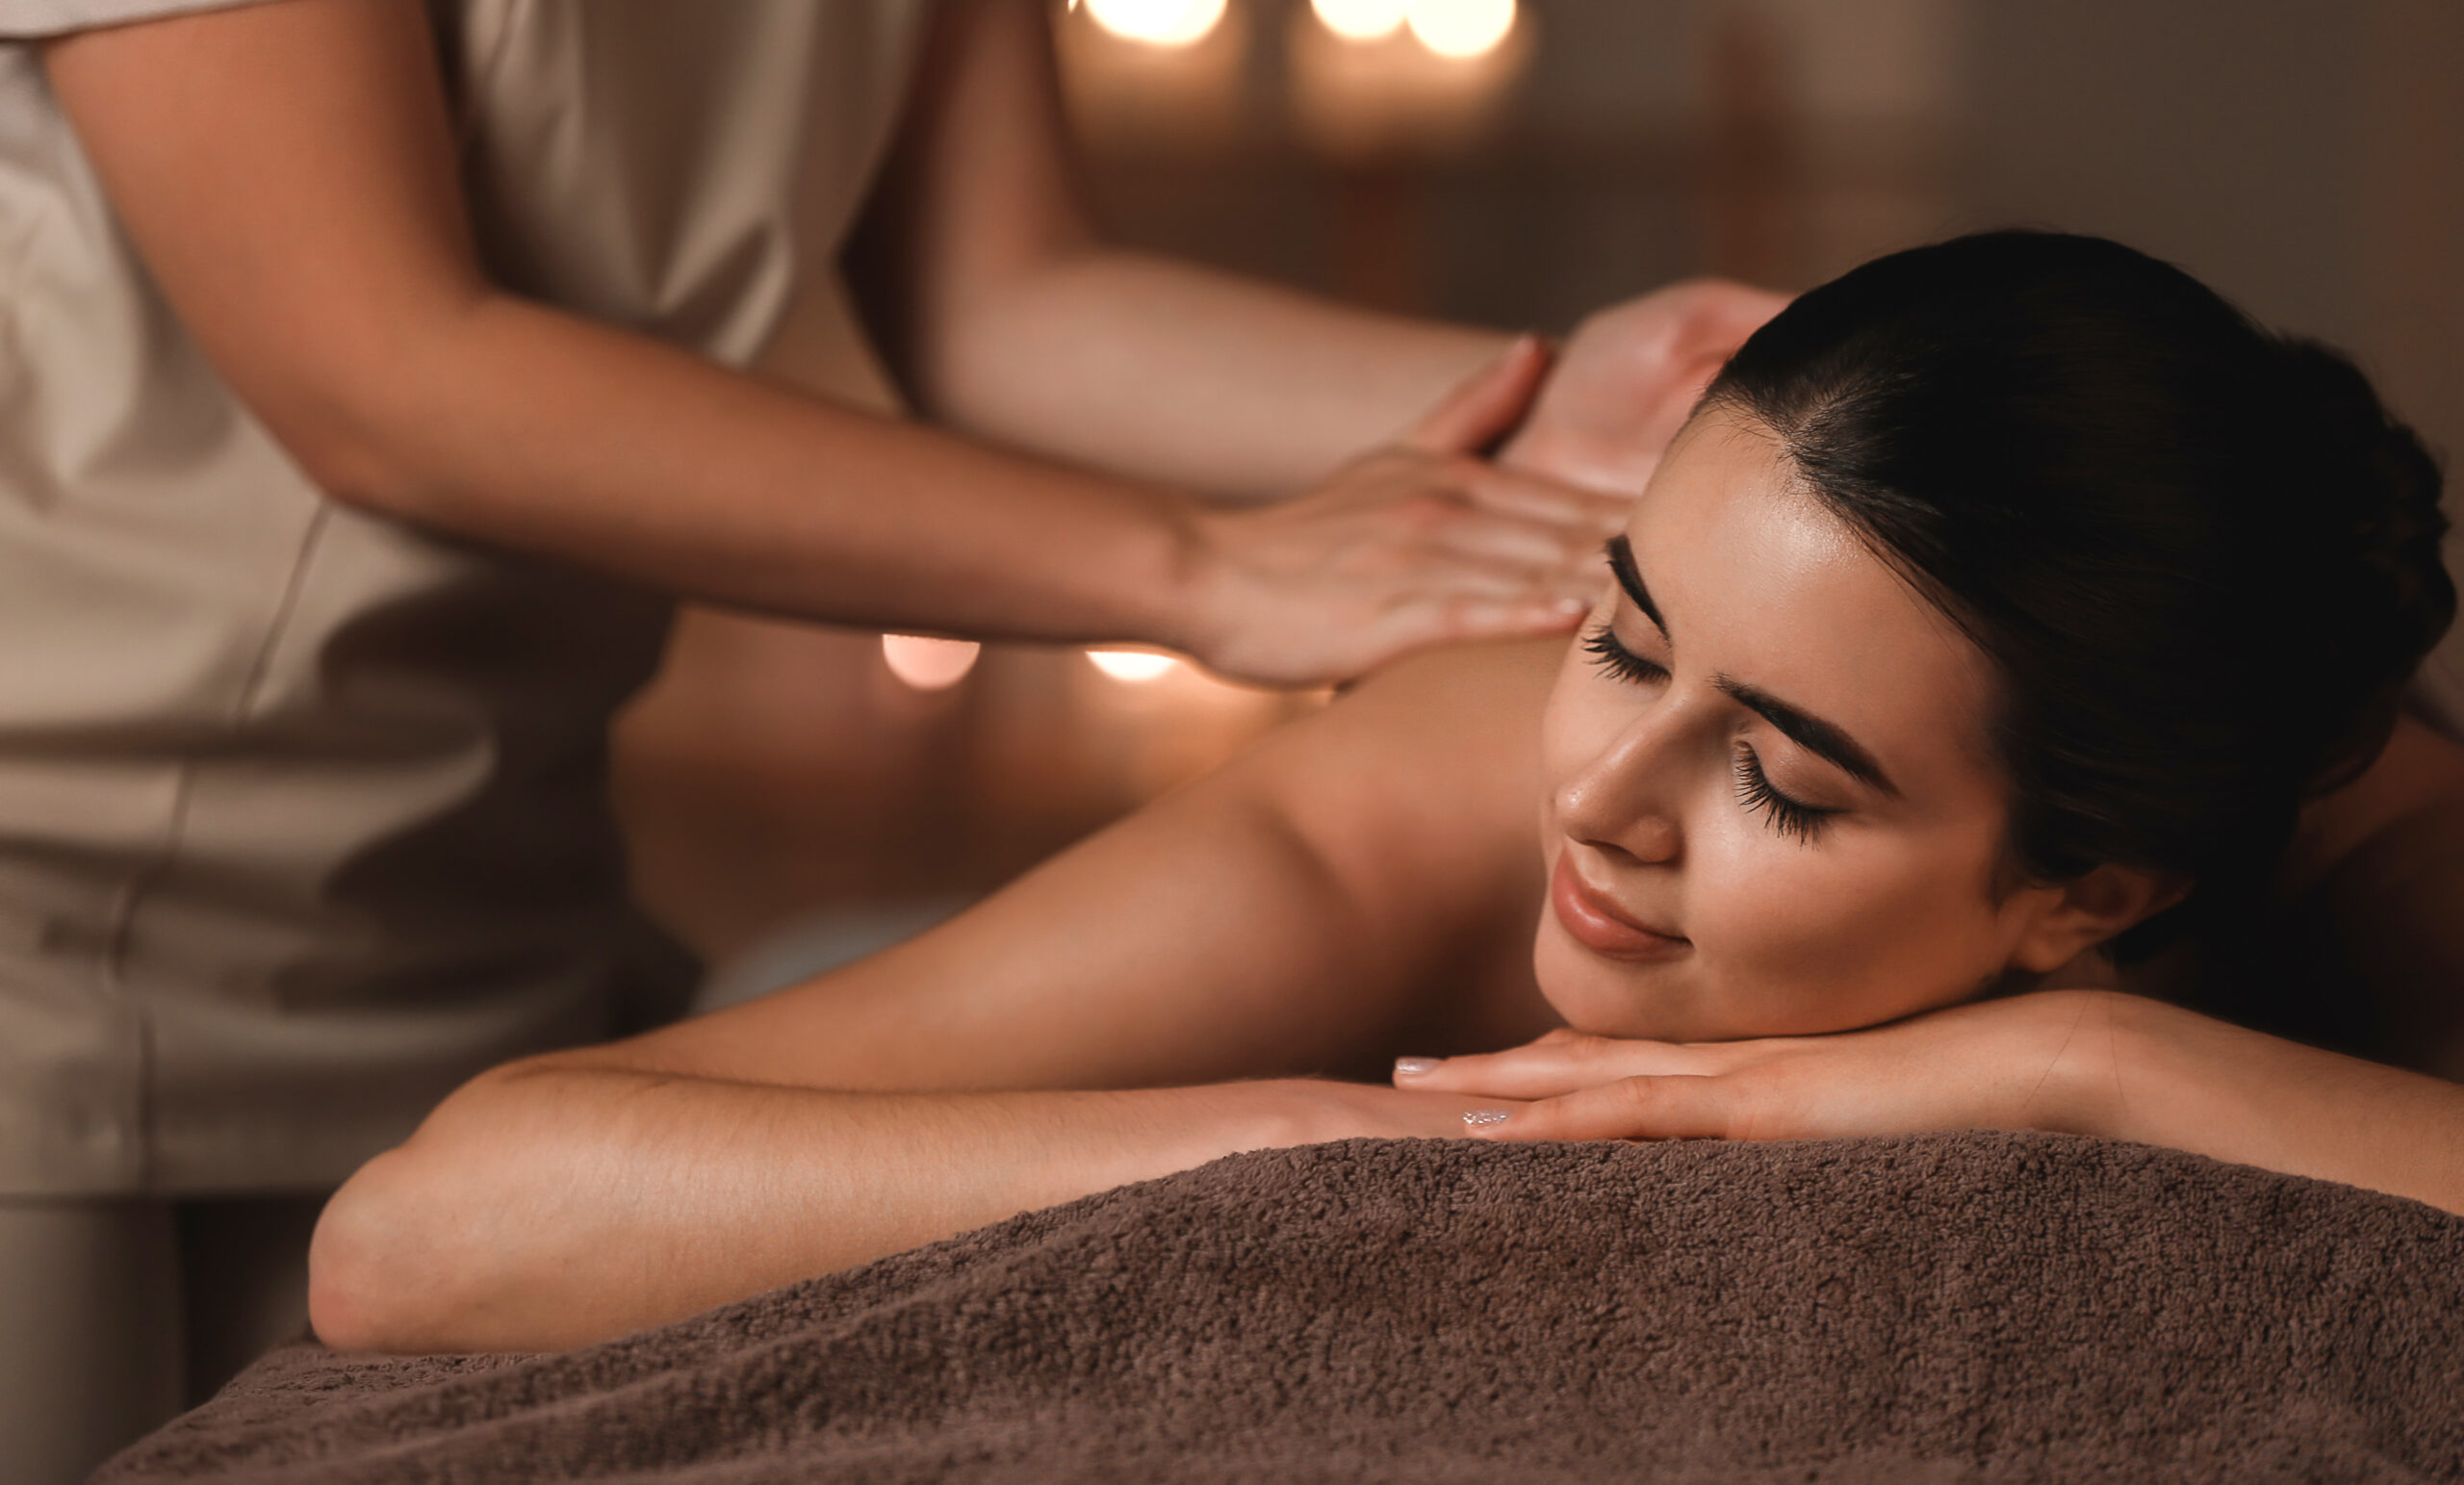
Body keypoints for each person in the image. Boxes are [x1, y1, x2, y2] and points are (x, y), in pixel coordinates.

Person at [0, 0, 1783, 1475]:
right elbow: (387, 374)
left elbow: (999, 299)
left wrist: (1580, 415)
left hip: (465, 884)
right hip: (53, 883)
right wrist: (1199, 576)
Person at [308, 231, 2464, 1356]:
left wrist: (2093, 1073)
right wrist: (1325, 1141)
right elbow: (422, 1233)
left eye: (1781, 778)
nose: (1599, 794)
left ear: (2089, 886)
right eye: (1620, 633)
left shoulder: (2382, 884)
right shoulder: (1460, 774)